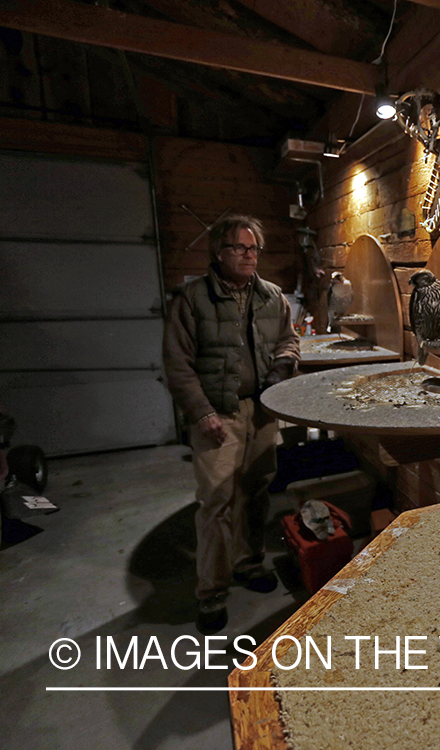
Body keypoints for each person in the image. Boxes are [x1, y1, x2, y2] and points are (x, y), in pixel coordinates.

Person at [162, 214, 300, 634]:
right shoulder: (191, 299)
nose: (247, 255)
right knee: (217, 501)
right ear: (218, 253)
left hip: (259, 411)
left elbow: (288, 339)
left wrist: (282, 368)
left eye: (253, 247)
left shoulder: (271, 296)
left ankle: (249, 563)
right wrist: (202, 413)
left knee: (255, 491)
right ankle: (212, 593)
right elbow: (177, 363)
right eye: (238, 247)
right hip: (216, 413)